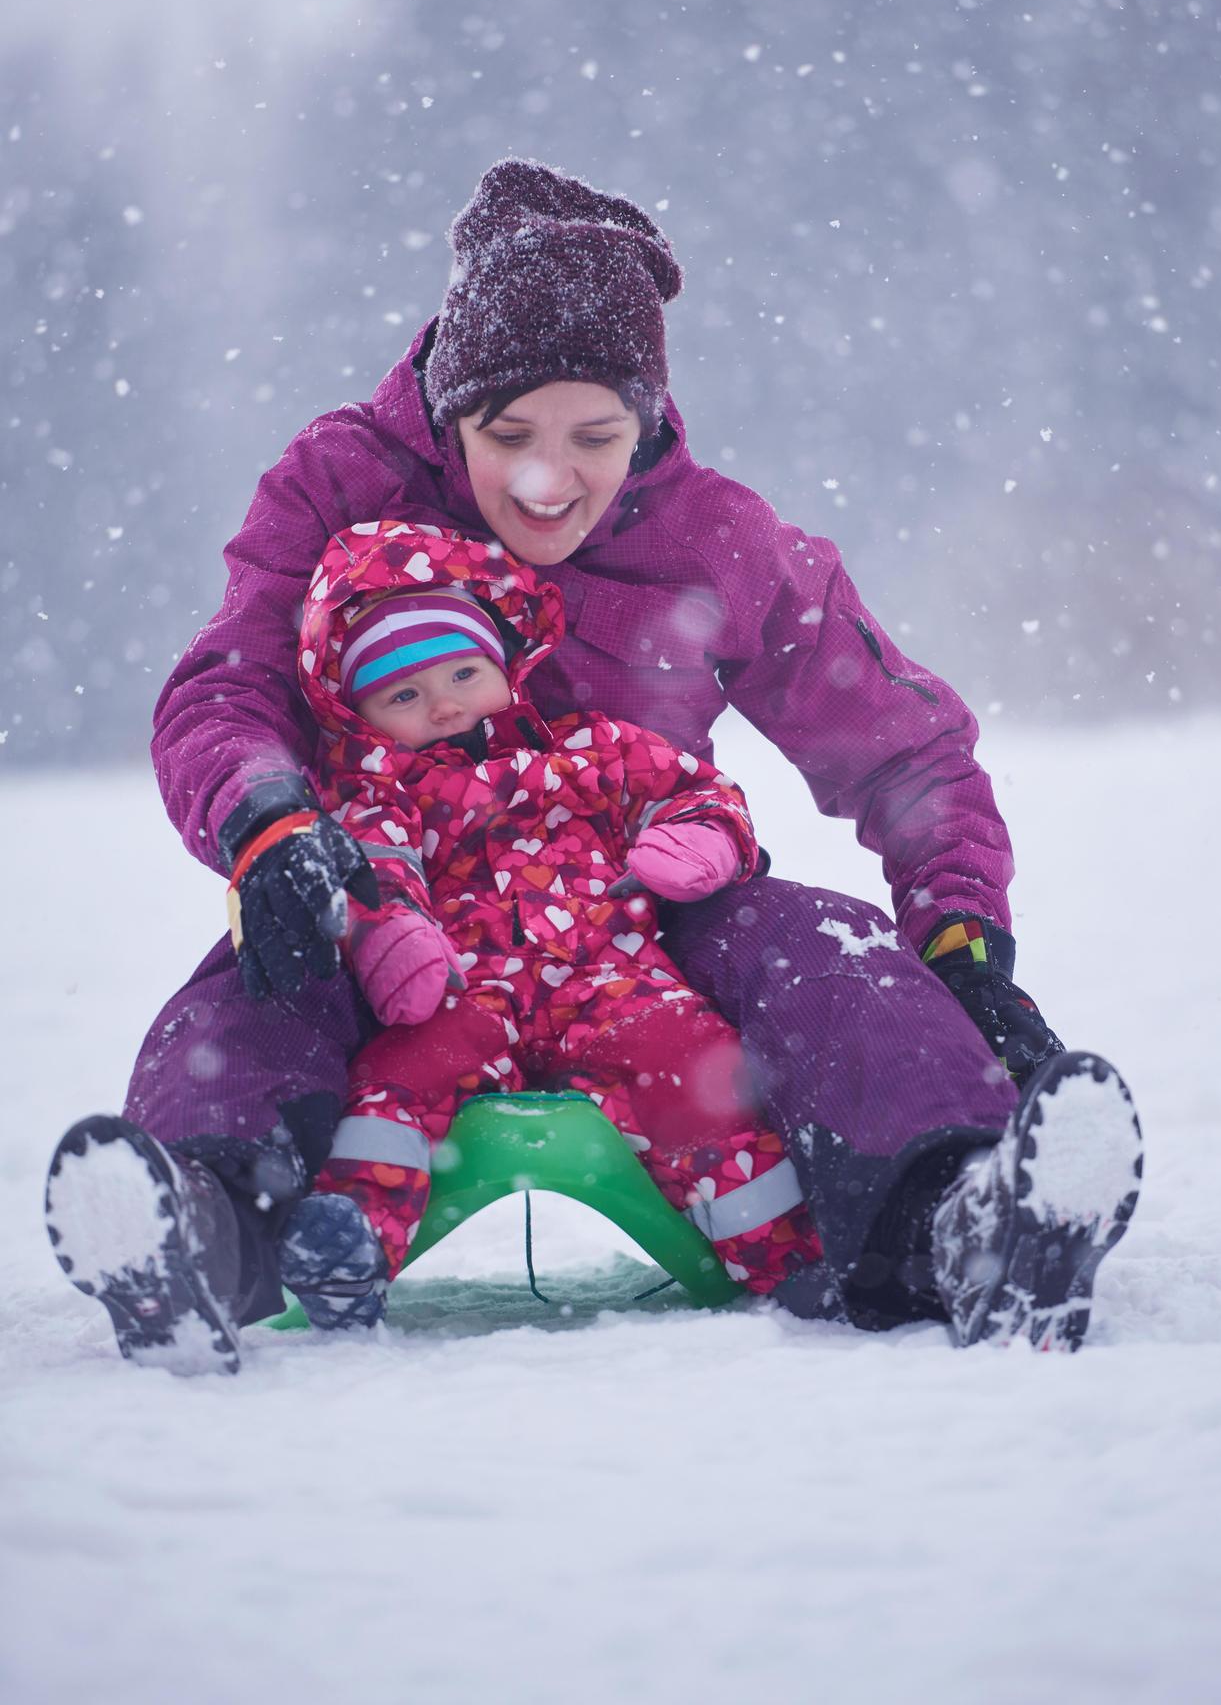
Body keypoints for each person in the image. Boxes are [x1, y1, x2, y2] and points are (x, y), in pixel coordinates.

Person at [44, 159, 1141, 1375]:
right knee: (258, 984)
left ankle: (964, 1217)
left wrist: (960, 939)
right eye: (505, 435)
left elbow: (904, 749)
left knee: (829, 952)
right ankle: (193, 1232)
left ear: (651, 419)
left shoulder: (716, 538)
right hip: (396, 895)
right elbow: (231, 681)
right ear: (443, 409)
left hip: (645, 904)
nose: (542, 480)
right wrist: (267, 821)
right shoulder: (342, 484)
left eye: (594, 438)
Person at [274, 517, 820, 1327]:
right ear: (363, 714)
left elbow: (694, 788)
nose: (445, 706)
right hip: (466, 986)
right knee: (401, 1073)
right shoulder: (383, 787)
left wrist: (700, 840)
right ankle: (349, 1242)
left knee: (693, 1065)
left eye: (463, 674)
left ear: (502, 666)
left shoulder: (590, 749)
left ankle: (786, 1254)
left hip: (612, 976)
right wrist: (388, 936)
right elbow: (372, 864)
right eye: (404, 696)